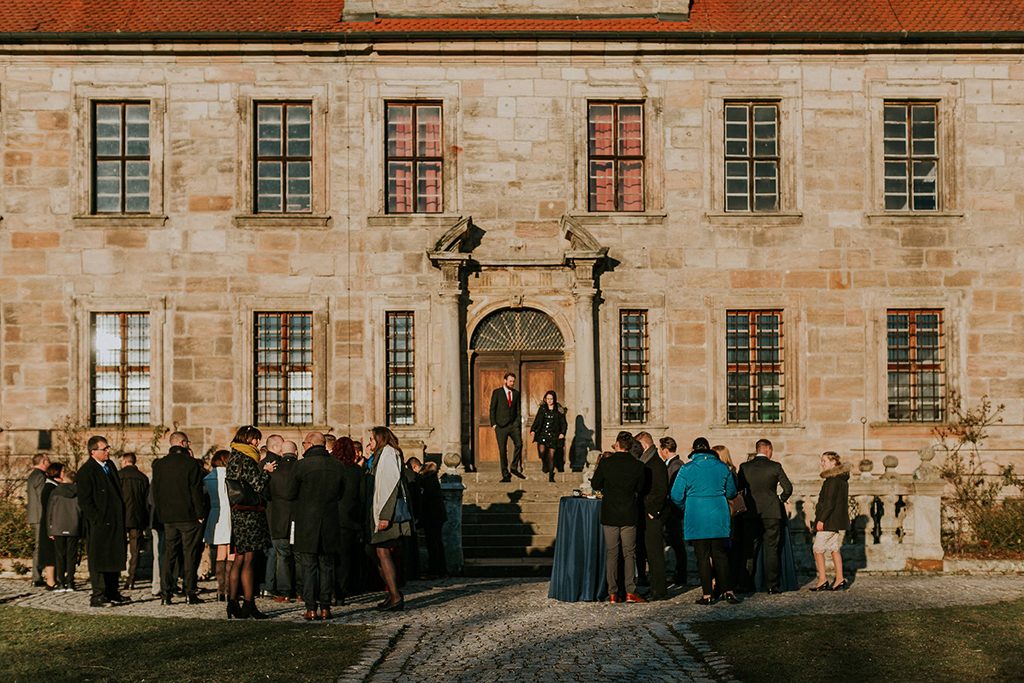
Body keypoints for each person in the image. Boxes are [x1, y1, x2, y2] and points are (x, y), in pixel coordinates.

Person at [671, 437, 740, 605]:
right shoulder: (722, 467)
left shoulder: (687, 469)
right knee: (720, 554)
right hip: (718, 514)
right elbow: (731, 492)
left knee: (702, 556)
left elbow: (675, 495)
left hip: (696, 515)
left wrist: (687, 507)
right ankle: (728, 590)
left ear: (694, 451)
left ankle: (708, 594)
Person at [287, 432, 345, 621]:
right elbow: (341, 493)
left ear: (311, 444)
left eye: (304, 443)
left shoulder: (301, 465)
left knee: (308, 566)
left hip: (307, 521)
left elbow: (290, 492)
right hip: (329, 520)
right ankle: (326, 607)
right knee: (326, 566)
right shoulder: (337, 465)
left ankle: (311, 608)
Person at [225, 425, 276, 619]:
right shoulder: (246, 458)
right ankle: (249, 603)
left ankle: (232, 602)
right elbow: (258, 484)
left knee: (239, 558)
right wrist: (266, 470)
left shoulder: (233, 456)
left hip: (238, 514)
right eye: (255, 439)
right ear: (247, 439)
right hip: (250, 515)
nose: (257, 442)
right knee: (248, 560)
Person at [590, 432, 646, 603]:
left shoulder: (607, 463)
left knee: (612, 553)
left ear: (617, 444)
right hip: (629, 512)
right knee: (629, 553)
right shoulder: (637, 465)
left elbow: (595, 484)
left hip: (610, 513)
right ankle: (630, 590)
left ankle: (613, 592)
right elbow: (641, 487)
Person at [152, 431, 206, 605]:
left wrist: (161, 513)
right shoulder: (191, 464)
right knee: (190, 554)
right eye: (188, 442)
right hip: (189, 516)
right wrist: (200, 514)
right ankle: (190, 592)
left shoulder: (160, 465)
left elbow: (156, 492)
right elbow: (196, 492)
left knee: (169, 555)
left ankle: (166, 594)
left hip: (168, 517)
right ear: (183, 443)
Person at [77, 435, 130, 608]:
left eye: (108, 448)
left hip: (115, 521)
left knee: (113, 558)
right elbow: (85, 501)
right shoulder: (86, 471)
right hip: (100, 524)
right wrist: (98, 519)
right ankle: (98, 595)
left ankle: (113, 591)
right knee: (99, 560)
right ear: (93, 451)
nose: (108, 451)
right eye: (104, 448)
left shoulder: (110, 466)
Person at [736, 438, 793, 594]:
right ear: (768, 449)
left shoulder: (745, 467)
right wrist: (780, 500)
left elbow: (738, 488)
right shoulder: (775, 466)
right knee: (771, 549)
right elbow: (788, 488)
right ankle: (771, 585)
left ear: (757, 449)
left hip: (750, 512)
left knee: (748, 549)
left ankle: (744, 584)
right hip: (771, 512)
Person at [367, 426, 413, 611]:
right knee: (379, 553)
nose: (368, 443)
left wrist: (385, 516)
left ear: (380, 439)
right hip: (382, 512)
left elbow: (389, 485)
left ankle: (395, 596)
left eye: (371, 439)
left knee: (383, 552)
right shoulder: (382, 455)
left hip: (388, 513)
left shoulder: (387, 453)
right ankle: (392, 594)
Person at [330, 436, 365, 603]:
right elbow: (362, 497)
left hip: (329, 516)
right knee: (344, 559)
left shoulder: (330, 468)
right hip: (349, 519)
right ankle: (341, 592)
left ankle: (329, 590)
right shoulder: (357, 471)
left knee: (329, 557)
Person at [812, 451, 851, 592]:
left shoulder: (833, 480)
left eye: (824, 461)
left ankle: (822, 580)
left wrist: (821, 519)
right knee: (834, 549)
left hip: (828, 520)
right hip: (835, 520)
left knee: (817, 549)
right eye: (821, 461)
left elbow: (829, 504)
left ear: (833, 462)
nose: (822, 463)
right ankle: (839, 579)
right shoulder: (841, 478)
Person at [266, 437, 298, 603]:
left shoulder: (273, 471)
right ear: (296, 452)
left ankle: (284, 591)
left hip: (278, 519)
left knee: (282, 557)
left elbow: (265, 494)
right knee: (300, 557)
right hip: (298, 519)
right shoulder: (301, 468)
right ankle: (301, 591)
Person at [408, 457, 448, 578]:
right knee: (435, 543)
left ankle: (436, 570)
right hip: (435, 515)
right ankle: (439, 570)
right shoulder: (430, 477)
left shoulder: (426, 478)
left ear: (414, 467)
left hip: (432, 516)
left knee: (433, 543)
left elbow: (426, 499)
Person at [641, 435, 669, 601]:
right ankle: (655, 587)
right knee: (651, 553)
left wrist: (654, 511)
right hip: (649, 512)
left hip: (653, 514)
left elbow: (661, 490)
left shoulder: (655, 464)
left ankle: (659, 590)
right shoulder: (650, 462)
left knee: (655, 553)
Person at [259, 434, 286, 600]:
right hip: (277, 511)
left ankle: (265, 585)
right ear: (276, 447)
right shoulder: (279, 465)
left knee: (267, 551)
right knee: (275, 552)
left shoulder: (261, 464)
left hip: (264, 512)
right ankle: (271, 585)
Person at [203, 450, 233, 601]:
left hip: (216, 513)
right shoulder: (232, 476)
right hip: (231, 513)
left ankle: (220, 589)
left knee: (220, 553)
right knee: (231, 552)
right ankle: (229, 589)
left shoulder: (208, 478)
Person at [118, 452, 150, 590]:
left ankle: (116, 575)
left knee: (119, 548)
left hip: (120, 516)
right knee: (135, 550)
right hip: (137, 517)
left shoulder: (118, 476)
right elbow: (146, 501)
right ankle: (131, 579)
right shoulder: (142, 478)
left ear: (125, 461)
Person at [46, 467, 81, 592]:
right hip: (74, 526)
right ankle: (70, 582)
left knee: (60, 555)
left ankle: (60, 582)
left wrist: (50, 529)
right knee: (72, 555)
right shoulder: (79, 492)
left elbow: (50, 511)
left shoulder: (55, 492)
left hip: (58, 526)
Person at [659, 437, 687, 586]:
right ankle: (678, 572)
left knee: (677, 544)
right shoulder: (673, 464)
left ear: (665, 450)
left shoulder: (676, 465)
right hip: (671, 510)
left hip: (673, 510)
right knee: (675, 543)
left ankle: (681, 573)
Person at [489, 371, 524, 482]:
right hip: (500, 426)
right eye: (510, 381)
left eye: (513, 381)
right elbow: (492, 409)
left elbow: (518, 409)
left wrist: (517, 422)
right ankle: (505, 474)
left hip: (513, 425)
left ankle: (513, 467)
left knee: (519, 444)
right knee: (502, 450)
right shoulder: (497, 392)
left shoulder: (516, 393)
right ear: (505, 381)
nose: (512, 383)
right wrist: (494, 424)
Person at [633, 431, 656, 587]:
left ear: (644, 445)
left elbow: (658, 489)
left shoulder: (652, 462)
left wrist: (654, 510)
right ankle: (642, 576)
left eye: (637, 445)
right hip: (643, 510)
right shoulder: (645, 460)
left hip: (649, 511)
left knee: (648, 548)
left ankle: (652, 579)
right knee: (641, 547)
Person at [529, 390, 567, 482]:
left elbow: (563, 423)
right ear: (545, 399)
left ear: (554, 399)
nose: (549, 401)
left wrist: (562, 433)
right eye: (548, 399)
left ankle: (551, 474)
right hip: (542, 434)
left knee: (551, 455)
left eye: (551, 399)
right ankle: (544, 464)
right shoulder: (542, 408)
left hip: (553, 435)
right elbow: (537, 420)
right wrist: (533, 430)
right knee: (542, 451)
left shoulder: (558, 410)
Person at [26, 453, 51, 586]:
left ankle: (37, 576)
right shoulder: (40, 476)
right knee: (40, 546)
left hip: (35, 515)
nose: (50, 463)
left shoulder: (33, 475)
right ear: (43, 462)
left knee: (39, 545)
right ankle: (37, 576)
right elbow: (43, 497)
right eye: (48, 461)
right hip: (40, 516)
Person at [37, 463, 61, 590]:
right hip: (49, 525)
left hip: (52, 524)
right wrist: (51, 528)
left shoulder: (53, 487)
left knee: (53, 553)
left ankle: (53, 580)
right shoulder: (49, 488)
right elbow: (49, 509)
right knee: (49, 554)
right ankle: (50, 581)